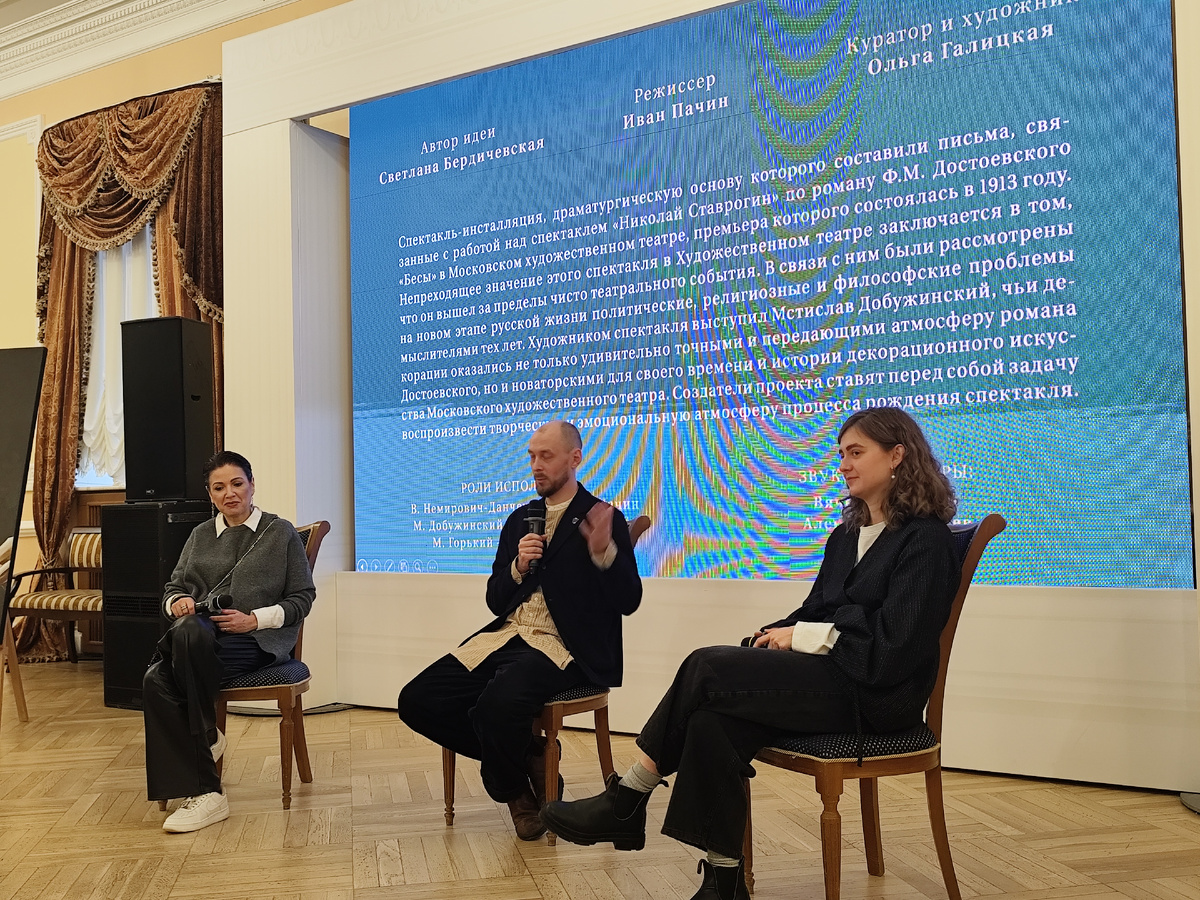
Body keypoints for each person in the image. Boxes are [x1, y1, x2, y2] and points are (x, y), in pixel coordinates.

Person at [540, 407, 961, 900]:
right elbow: (815, 611)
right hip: (832, 678)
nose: (843, 464)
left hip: (876, 697)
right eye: (841, 454)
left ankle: (628, 798)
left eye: (856, 452)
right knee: (711, 721)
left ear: (896, 456)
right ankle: (724, 882)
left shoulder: (926, 540)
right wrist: (776, 633)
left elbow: (894, 647)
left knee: (707, 665)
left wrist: (802, 636)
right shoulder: (846, 536)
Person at [397, 420, 642, 840]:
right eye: (532, 456)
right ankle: (532, 756)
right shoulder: (519, 521)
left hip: (565, 648)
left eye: (546, 456)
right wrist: (517, 566)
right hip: (507, 637)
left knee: (498, 704)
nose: (536, 465)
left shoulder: (601, 517)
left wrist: (604, 553)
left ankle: (514, 795)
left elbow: (629, 600)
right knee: (417, 700)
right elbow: (496, 600)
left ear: (575, 458)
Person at [143, 450, 316, 833]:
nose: (230, 493)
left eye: (237, 484)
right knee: (169, 659)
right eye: (219, 487)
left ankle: (205, 770)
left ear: (252, 485)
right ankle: (208, 783)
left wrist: (254, 619)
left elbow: (303, 598)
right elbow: (173, 588)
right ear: (210, 494)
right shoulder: (200, 535)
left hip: (257, 642)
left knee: (161, 674)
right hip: (198, 638)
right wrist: (178, 602)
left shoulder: (280, 532)